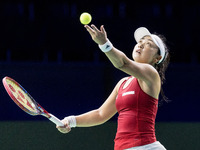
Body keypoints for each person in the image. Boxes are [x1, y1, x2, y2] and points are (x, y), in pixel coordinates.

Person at [57, 24, 170, 150]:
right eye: (140, 41)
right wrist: (70, 121)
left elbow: (122, 63)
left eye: (149, 43)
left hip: (146, 147)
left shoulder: (152, 74)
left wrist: (104, 44)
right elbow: (100, 114)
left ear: (157, 58)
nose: (141, 44)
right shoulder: (122, 83)